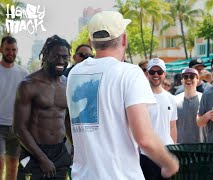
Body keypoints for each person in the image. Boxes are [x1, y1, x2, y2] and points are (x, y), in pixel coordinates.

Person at [66, 11, 179, 179]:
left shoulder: (75, 74)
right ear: (124, 39)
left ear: (91, 42)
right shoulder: (129, 73)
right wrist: (169, 163)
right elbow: (144, 138)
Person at [13, 35, 72, 179]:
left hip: (59, 152)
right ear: (45, 55)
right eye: (56, 56)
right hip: (33, 153)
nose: (61, 61)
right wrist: (42, 158)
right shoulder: (28, 85)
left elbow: (67, 119)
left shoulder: (68, 84)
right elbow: (19, 128)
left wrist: (75, 147)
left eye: (65, 57)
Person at [141, 58, 178, 180]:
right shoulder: (140, 97)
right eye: (152, 72)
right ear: (147, 74)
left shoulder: (171, 99)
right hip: (146, 155)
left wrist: (174, 150)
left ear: (164, 74)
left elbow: (172, 126)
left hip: (166, 153)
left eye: (159, 72)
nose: (156, 75)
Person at [0, 36, 28, 180]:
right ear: (1, 50)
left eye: (14, 50)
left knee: (13, 165)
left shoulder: (24, 73)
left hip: (16, 127)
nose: (11, 53)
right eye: (7, 50)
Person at [175, 68, 205, 143]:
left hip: (201, 148)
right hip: (180, 149)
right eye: (185, 77)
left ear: (198, 79)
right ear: (182, 80)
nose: (188, 79)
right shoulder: (174, 100)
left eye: (192, 76)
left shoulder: (204, 99)